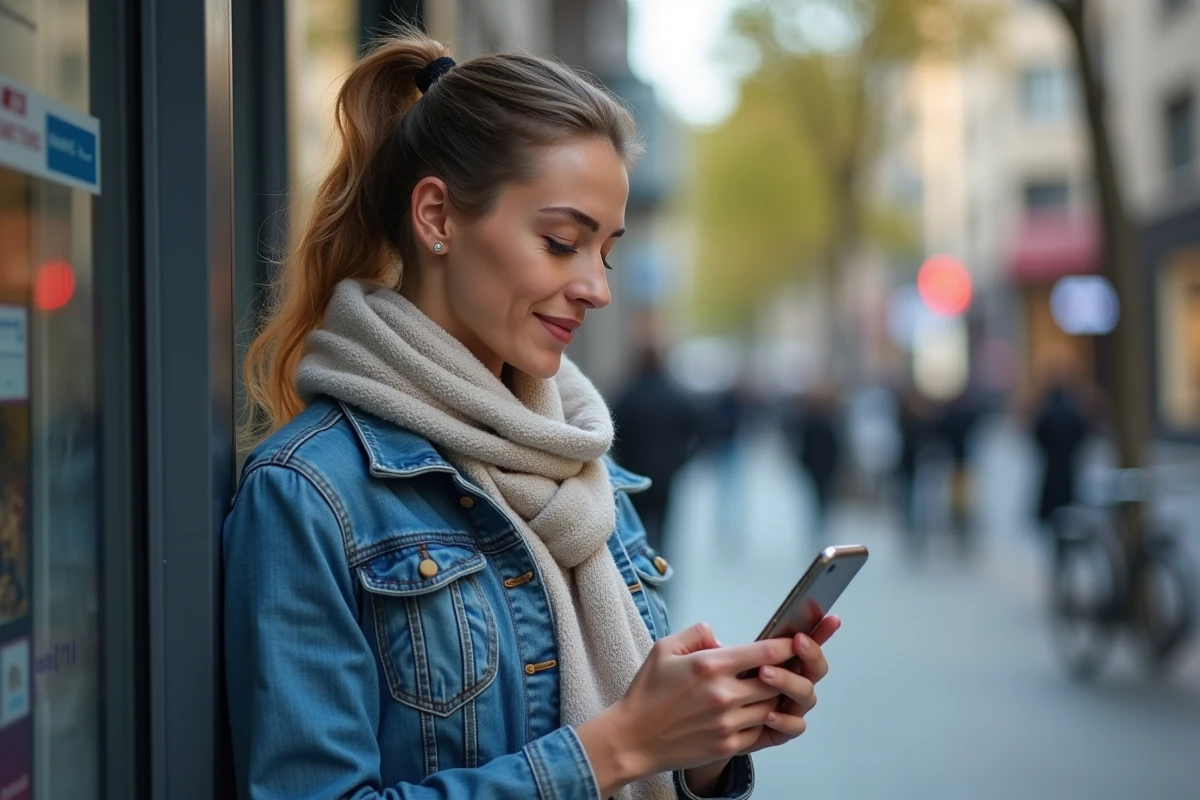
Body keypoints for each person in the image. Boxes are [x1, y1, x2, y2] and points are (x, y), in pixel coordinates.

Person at [224, 30, 841, 800]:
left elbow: (641, 749)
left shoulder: (583, 460)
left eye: (606, 252)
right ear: (438, 217)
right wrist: (616, 747)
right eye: (560, 243)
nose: (596, 288)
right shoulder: (309, 493)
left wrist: (703, 743)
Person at [611, 346, 701, 556]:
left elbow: (613, 433)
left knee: (636, 528)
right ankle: (661, 571)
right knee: (663, 528)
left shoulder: (628, 395)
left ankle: (643, 574)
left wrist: (623, 461)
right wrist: (682, 459)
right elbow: (699, 429)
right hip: (666, 474)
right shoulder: (675, 394)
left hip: (635, 475)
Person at [1032, 381, 1089, 532]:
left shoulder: (1048, 412)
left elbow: (1038, 433)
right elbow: (1082, 430)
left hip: (1051, 465)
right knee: (1066, 501)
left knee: (1053, 500)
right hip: (1066, 465)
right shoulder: (1072, 412)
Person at [783, 390, 841, 538]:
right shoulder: (817, 421)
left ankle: (820, 519)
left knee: (819, 493)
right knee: (821, 494)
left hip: (819, 465)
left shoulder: (818, 421)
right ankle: (820, 519)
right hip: (820, 465)